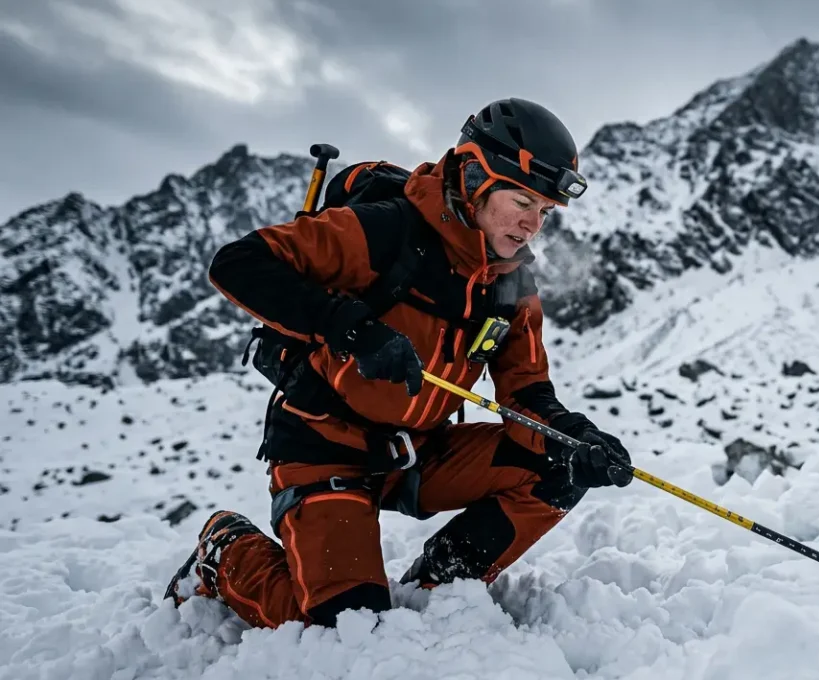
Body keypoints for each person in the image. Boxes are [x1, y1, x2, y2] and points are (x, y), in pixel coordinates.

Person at [164, 98, 633, 629]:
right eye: (522, 200)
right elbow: (239, 263)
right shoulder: (385, 232)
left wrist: (576, 437)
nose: (532, 225)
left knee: (559, 463)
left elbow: (526, 393)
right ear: (476, 177)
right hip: (326, 447)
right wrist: (349, 324)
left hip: (417, 451)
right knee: (342, 631)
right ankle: (227, 549)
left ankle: (438, 590)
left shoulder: (510, 285)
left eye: (544, 212)